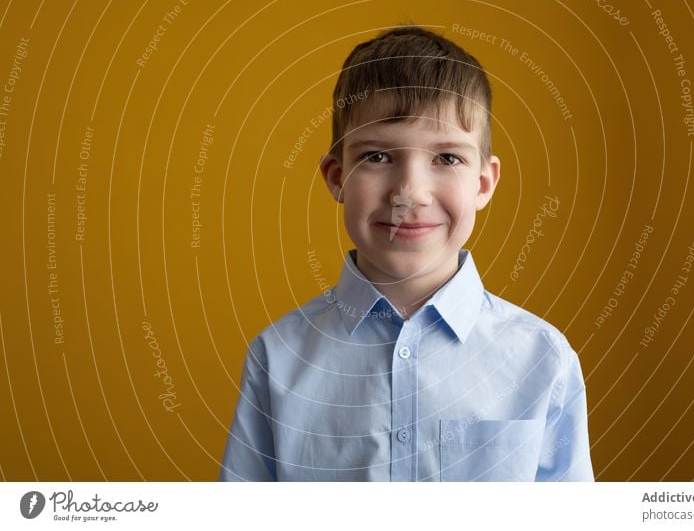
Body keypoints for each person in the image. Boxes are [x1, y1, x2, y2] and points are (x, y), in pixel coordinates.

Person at [219, 25, 593, 481]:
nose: (410, 193)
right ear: (338, 177)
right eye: (377, 156)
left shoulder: (542, 359)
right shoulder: (276, 357)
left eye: (447, 158)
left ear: (483, 182)